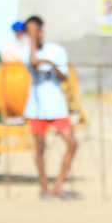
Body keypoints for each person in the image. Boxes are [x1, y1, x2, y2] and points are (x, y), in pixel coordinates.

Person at [23, 15, 79, 200]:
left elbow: (64, 76)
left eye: (35, 30)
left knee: (72, 143)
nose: (33, 34)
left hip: (56, 106)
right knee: (40, 147)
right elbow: (33, 62)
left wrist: (50, 64)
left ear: (41, 30)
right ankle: (44, 187)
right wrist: (32, 40)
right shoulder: (26, 52)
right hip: (36, 109)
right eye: (29, 31)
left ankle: (58, 184)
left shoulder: (56, 50)